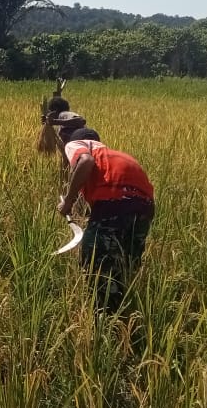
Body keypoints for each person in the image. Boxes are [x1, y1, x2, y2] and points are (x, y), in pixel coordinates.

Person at [58, 127, 154, 313]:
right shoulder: (116, 156)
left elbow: (85, 161)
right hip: (145, 208)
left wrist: (67, 202)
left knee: (96, 263)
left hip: (114, 203)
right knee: (125, 267)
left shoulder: (77, 145)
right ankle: (127, 318)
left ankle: (105, 323)